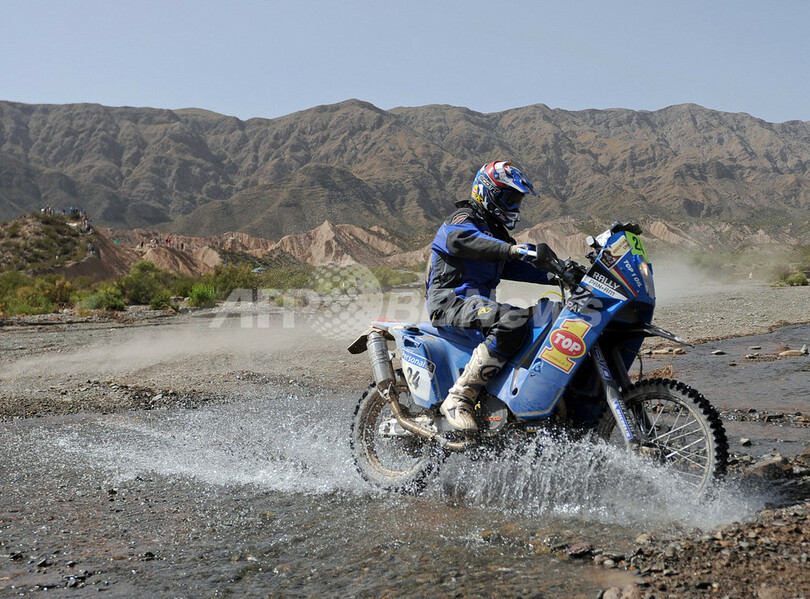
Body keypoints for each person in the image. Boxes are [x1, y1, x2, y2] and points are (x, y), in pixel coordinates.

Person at [426, 160, 563, 432]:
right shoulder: (462, 220)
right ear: (486, 192)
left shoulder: (497, 235)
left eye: (517, 200)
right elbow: (462, 240)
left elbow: (522, 268)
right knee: (511, 320)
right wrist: (513, 250)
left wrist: (562, 272)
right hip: (449, 303)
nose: (514, 205)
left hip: (478, 307)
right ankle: (459, 397)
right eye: (509, 198)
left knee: (543, 318)